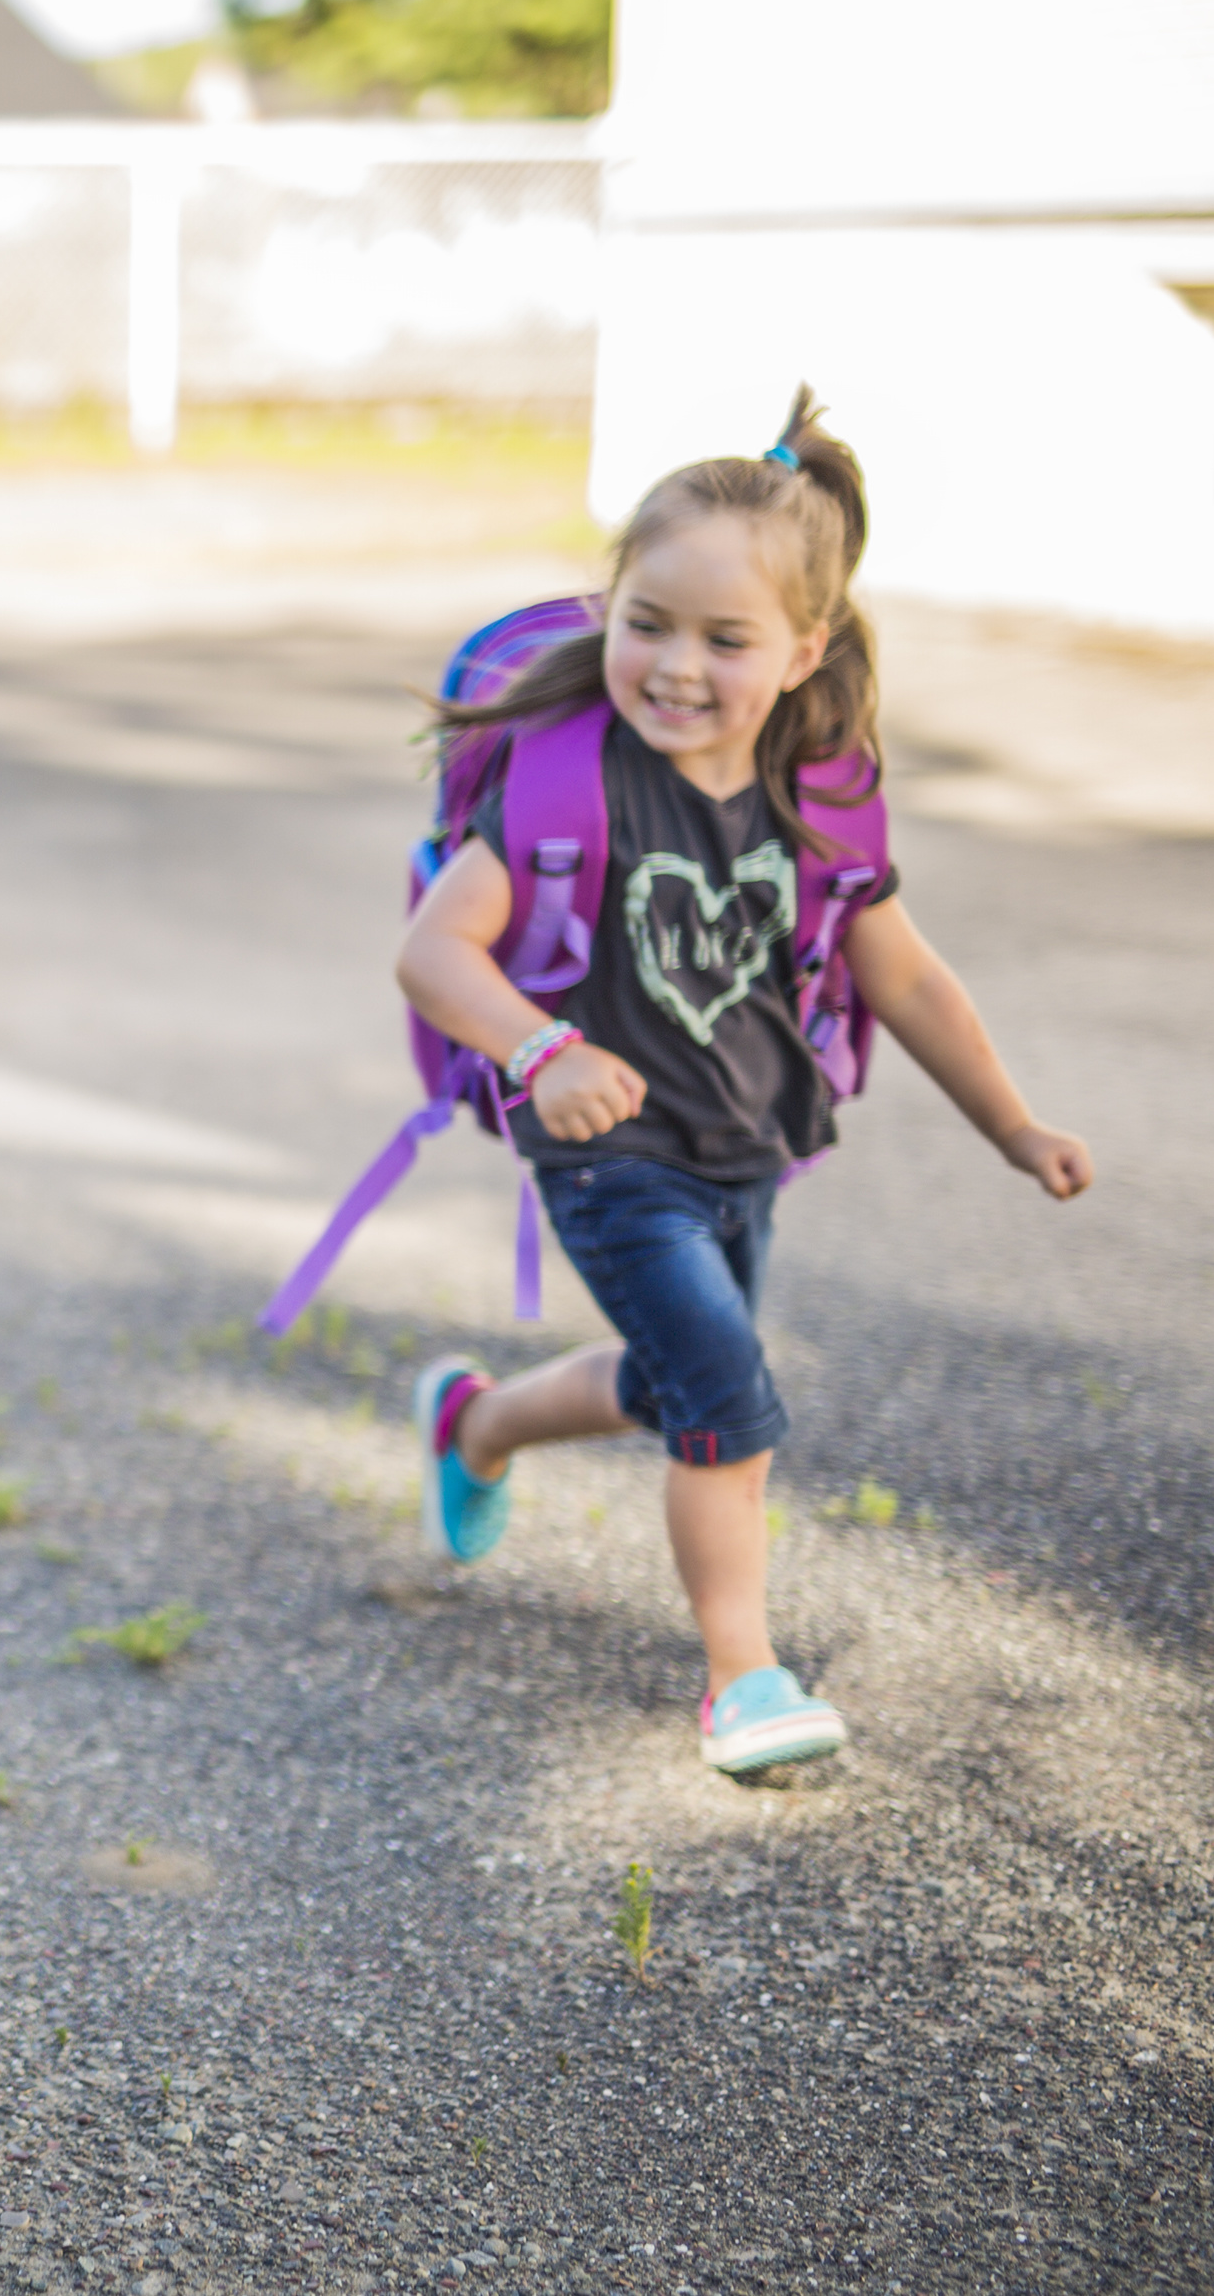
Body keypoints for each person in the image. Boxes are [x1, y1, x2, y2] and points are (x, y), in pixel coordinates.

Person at [398, 389, 1092, 1779]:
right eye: (644, 621)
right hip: (605, 1150)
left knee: (679, 1396)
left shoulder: (816, 795)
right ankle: (743, 1678)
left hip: (748, 1141)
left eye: (726, 639)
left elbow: (909, 979)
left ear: (804, 648)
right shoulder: (559, 786)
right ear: (610, 603)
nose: (673, 666)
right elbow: (434, 954)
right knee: (728, 1397)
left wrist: (1011, 1120)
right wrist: (542, 1047)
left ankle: (474, 1423)